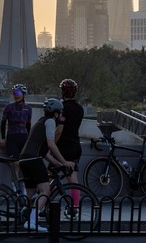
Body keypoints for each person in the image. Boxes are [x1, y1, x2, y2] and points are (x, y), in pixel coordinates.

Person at [18, 98, 74, 233]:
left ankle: (25, 218)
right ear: (55, 113)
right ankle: (32, 222)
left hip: (24, 160)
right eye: (60, 113)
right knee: (45, 191)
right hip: (34, 160)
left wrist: (59, 164)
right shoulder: (50, 122)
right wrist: (65, 162)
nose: (61, 116)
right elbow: (51, 145)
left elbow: (44, 153)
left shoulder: (40, 122)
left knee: (30, 195)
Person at [55, 78, 85, 207]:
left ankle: (45, 203)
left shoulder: (62, 108)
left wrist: (52, 143)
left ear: (63, 92)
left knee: (50, 176)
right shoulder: (80, 108)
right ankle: (75, 208)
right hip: (75, 146)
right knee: (73, 180)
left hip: (63, 146)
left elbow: (59, 130)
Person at [0, 84, 32, 178]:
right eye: (14, 93)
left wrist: (29, 139)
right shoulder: (9, 107)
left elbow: (28, 125)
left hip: (24, 138)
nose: (16, 95)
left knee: (24, 163)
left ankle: (24, 186)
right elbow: (3, 123)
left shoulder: (28, 108)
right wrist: (3, 138)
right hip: (12, 138)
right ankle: (15, 184)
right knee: (16, 163)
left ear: (24, 95)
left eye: (18, 93)